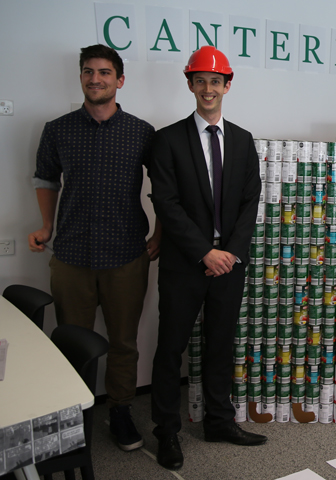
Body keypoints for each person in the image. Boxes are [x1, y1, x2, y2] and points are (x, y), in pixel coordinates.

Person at [28, 44, 159, 452]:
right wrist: (46, 226)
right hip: (71, 257)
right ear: (81, 77)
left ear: (120, 80)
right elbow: (46, 179)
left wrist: (160, 237)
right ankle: (74, 416)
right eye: (88, 71)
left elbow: (165, 190)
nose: (95, 78)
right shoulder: (58, 129)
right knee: (72, 342)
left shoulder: (142, 131)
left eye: (104, 72)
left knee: (123, 343)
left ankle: (120, 411)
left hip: (125, 257)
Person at [148, 46, 264, 471]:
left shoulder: (243, 140)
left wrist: (229, 252)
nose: (208, 88)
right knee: (171, 347)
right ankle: (166, 431)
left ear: (227, 85)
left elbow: (251, 201)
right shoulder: (167, 140)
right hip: (185, 265)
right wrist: (205, 252)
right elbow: (166, 202)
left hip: (228, 266)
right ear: (190, 84)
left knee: (220, 344)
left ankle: (219, 421)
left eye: (216, 81)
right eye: (200, 80)